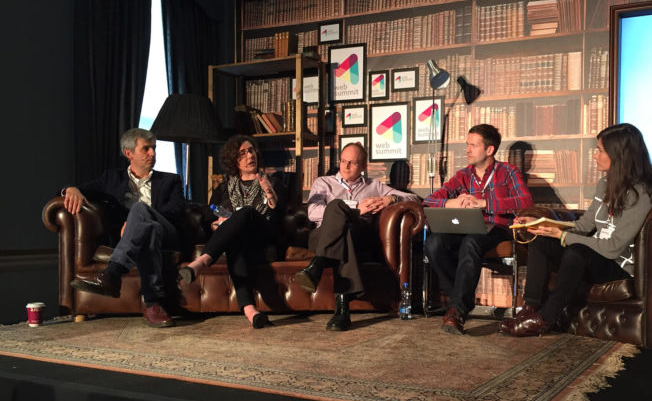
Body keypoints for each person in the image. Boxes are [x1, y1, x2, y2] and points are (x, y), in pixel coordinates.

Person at [500, 123, 652, 337]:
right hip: (598, 256)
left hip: (619, 265)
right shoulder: (605, 184)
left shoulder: (641, 192)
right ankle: (530, 309)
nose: (595, 155)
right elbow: (584, 226)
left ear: (619, 155)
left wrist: (563, 236)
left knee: (576, 252)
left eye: (600, 150)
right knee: (540, 241)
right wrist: (544, 225)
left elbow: (613, 248)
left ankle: (545, 319)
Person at [293, 143, 419, 331]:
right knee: (337, 208)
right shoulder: (323, 182)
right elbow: (312, 213)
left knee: (347, 233)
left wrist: (389, 199)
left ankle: (316, 266)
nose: (345, 166)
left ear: (363, 166)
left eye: (352, 163)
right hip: (321, 235)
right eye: (343, 161)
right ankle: (342, 309)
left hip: (359, 235)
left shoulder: (373, 186)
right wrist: (355, 210)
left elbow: (415, 199)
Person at [67, 128, 184, 327]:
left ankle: (113, 273)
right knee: (149, 231)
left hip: (168, 232)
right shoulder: (111, 178)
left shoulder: (170, 180)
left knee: (140, 210)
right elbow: (84, 189)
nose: (152, 153)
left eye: (154, 148)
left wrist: (136, 221)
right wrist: (71, 189)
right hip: (142, 236)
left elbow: (176, 213)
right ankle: (153, 304)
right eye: (146, 148)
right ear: (128, 153)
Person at [424, 124, 534, 335]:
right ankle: (459, 300)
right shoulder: (463, 175)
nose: (467, 150)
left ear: (489, 150)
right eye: (467, 145)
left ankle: (456, 310)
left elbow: (525, 201)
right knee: (434, 243)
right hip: (466, 225)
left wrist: (484, 203)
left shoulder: (508, 172)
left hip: (497, 227)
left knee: (472, 242)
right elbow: (430, 200)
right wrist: (452, 203)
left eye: (473, 145)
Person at [177, 135, 281, 328]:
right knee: (234, 239)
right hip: (238, 237)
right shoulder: (225, 187)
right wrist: (215, 225)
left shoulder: (272, 181)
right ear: (234, 160)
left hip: (263, 232)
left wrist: (269, 192)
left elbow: (277, 213)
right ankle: (251, 311)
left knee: (246, 212)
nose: (250, 156)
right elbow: (211, 212)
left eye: (251, 151)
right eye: (242, 153)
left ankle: (202, 261)